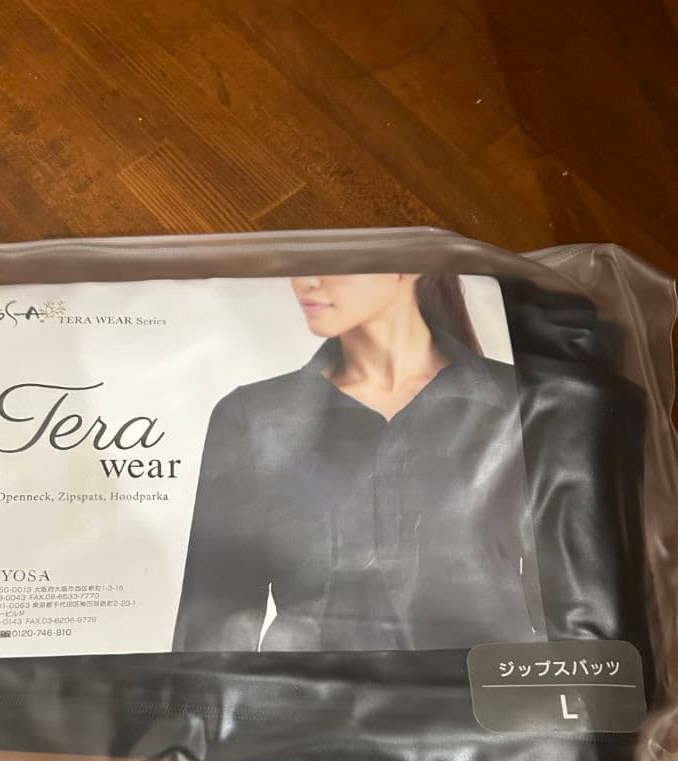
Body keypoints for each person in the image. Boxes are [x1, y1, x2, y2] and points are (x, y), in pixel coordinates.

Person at [173, 273, 541, 653]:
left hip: (484, 687)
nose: (307, 281)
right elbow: (211, 635)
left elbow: (565, 612)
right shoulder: (253, 419)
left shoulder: (528, 405)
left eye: (337, 261)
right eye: (301, 261)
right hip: (312, 690)